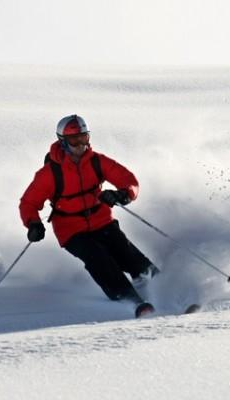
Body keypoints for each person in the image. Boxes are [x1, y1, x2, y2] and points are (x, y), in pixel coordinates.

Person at [19, 114, 158, 317]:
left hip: (101, 221)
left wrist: (123, 194)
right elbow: (28, 203)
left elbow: (128, 179)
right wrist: (33, 224)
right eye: (75, 140)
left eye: (84, 137)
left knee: (127, 254)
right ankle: (130, 299)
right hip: (71, 230)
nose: (81, 144)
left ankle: (169, 288)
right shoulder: (50, 173)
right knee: (98, 258)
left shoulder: (97, 162)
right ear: (63, 142)